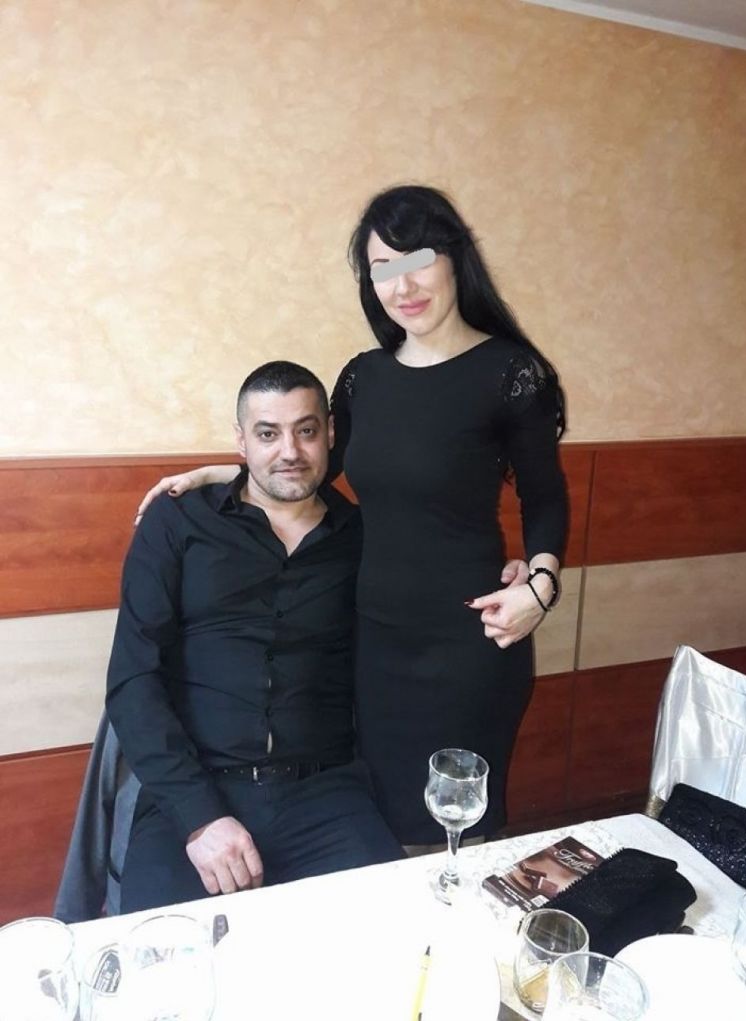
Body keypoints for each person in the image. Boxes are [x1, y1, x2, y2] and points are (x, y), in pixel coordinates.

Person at [136, 185, 568, 846]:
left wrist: (541, 585)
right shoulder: (365, 376)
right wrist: (220, 472)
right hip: (374, 643)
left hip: (468, 641)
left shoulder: (509, 372)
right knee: (387, 826)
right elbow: (313, 466)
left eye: (417, 260)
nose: (403, 285)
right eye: (383, 269)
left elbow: (545, 495)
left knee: (452, 825)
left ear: (455, 257)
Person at [107, 361, 402, 913]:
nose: (290, 450)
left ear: (329, 434)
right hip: (194, 793)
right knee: (163, 957)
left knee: (399, 935)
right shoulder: (178, 523)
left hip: (326, 796)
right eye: (268, 434)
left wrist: (517, 575)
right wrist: (200, 818)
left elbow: (436, 574)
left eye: (305, 430)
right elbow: (133, 677)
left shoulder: (364, 535)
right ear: (241, 441)